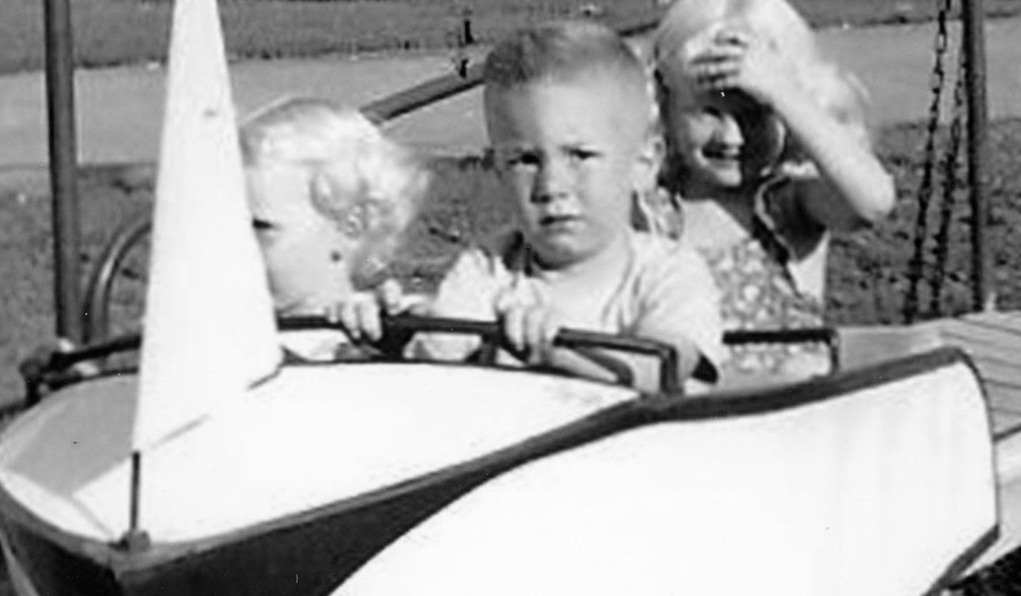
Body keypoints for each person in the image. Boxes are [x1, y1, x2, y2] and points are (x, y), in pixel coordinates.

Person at [420, 20, 723, 390]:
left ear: (643, 163)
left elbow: (663, 365)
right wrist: (387, 333)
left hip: (640, 444)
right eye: (525, 160)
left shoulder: (667, 273)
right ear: (498, 169)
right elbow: (430, 365)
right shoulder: (488, 269)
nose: (552, 187)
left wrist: (561, 352)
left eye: (579, 155)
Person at [650, 0, 895, 382]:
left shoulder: (790, 201)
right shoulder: (652, 206)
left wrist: (782, 90)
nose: (731, 137)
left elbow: (873, 202)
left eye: (754, 115)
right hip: (683, 424)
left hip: (786, 418)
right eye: (709, 112)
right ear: (666, 102)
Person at [240, 97, 430, 357]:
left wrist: (402, 331)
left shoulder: (388, 334)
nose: (236, 246)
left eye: (262, 229)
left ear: (351, 228)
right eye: (226, 227)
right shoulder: (210, 334)